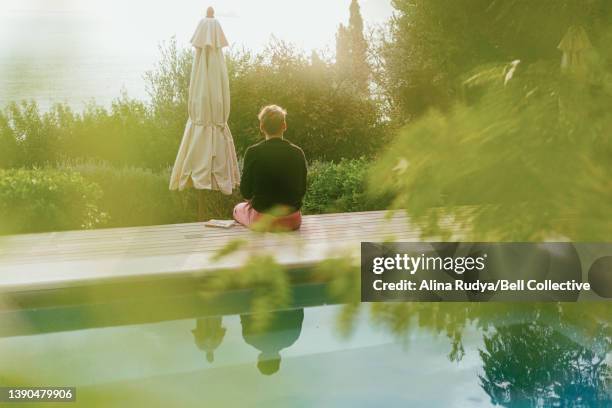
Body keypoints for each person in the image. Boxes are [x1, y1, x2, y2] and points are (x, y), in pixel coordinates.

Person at [233, 105, 307, 231]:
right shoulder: (298, 152)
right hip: (292, 221)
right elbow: (301, 190)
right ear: (284, 125)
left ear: (262, 127)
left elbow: (246, 192)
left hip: (263, 221)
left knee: (238, 209)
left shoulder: (253, 152)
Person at [240, 309, 305, 376]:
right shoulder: (249, 338)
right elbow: (242, 310)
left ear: (279, 358)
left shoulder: (291, 337)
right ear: (260, 358)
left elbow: (300, 309)